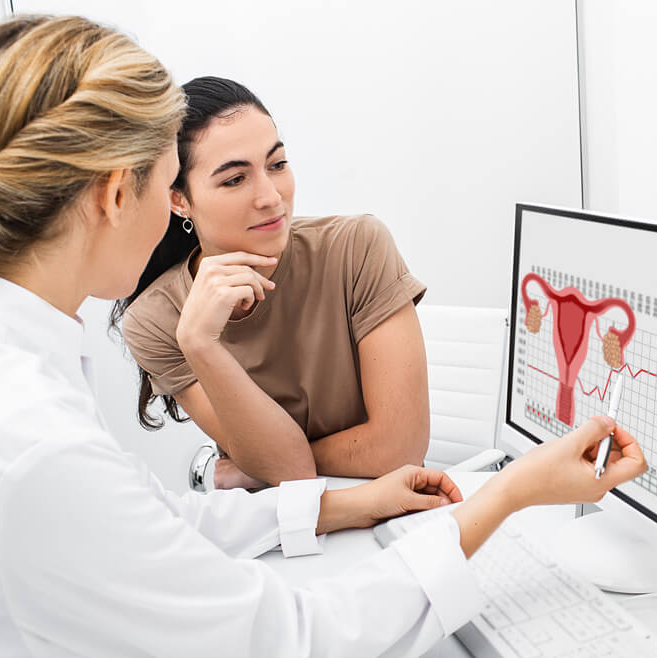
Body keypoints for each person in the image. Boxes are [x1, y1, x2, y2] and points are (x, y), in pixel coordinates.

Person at [0, 15, 647, 658]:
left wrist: (337, 505)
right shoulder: (30, 440)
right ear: (118, 195)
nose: (268, 195)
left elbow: (162, 521)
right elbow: (293, 640)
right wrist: (512, 493)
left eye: (279, 163)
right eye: (190, 179)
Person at [113, 76, 429, 489]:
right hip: (274, 530)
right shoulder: (156, 319)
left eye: (276, 165)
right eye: (234, 179)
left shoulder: (357, 248)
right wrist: (199, 343)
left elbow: (399, 450)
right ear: (179, 199)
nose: (270, 197)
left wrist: (251, 469)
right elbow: (286, 472)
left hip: (388, 507)